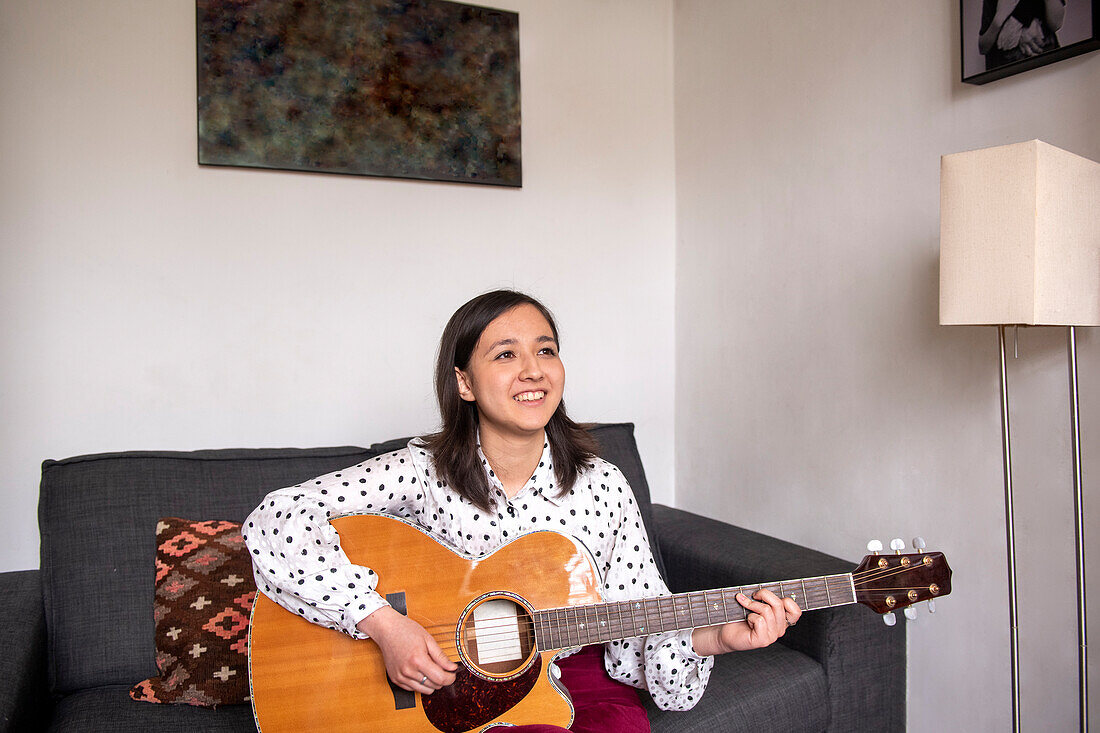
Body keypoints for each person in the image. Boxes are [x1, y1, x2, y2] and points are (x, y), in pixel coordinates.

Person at [243, 290, 801, 732]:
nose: (533, 369)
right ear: (464, 382)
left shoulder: (602, 485)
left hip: (575, 677)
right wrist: (385, 626)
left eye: (546, 349)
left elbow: (641, 617)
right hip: (452, 682)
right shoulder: (421, 471)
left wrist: (720, 638)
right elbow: (277, 519)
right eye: (505, 354)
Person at [979, 0, 1066, 70]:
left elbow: (1056, 23)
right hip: (1006, 74)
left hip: (1046, 67)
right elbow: (983, 47)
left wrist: (1018, 21)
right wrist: (999, 18)